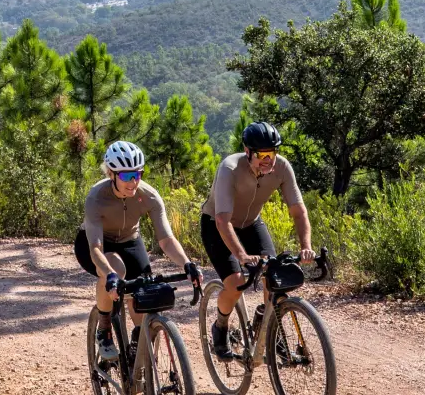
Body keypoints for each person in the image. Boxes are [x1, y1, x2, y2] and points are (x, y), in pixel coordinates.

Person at [76, 140, 201, 364]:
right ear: (111, 174)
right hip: (95, 244)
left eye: (137, 174)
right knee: (115, 268)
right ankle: (104, 328)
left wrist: (187, 264)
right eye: (126, 176)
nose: (133, 182)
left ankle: (139, 353)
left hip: (129, 240)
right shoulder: (97, 197)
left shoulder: (149, 195)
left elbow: (166, 240)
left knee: (143, 297)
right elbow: (95, 248)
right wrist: (110, 275)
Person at [201, 121, 313, 359]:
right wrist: (242, 256)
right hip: (216, 224)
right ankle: (220, 326)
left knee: (275, 275)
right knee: (236, 282)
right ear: (247, 151)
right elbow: (222, 220)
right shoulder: (230, 168)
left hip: (251, 223)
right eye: (261, 154)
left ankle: (270, 326)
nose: (268, 160)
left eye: (272, 153)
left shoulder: (282, 168)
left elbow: (298, 211)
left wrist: (306, 247)